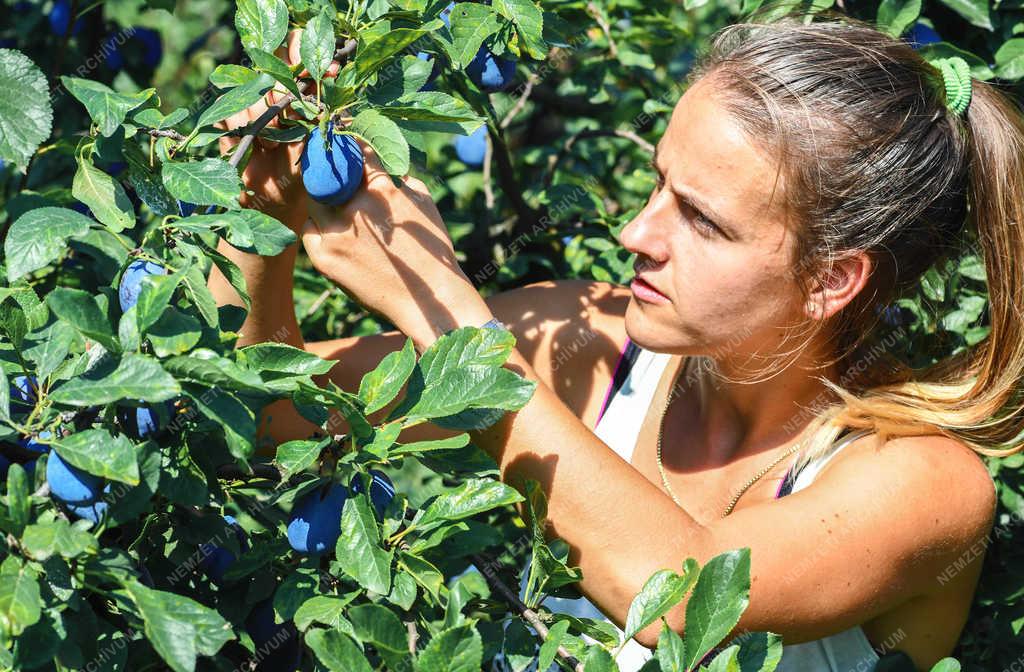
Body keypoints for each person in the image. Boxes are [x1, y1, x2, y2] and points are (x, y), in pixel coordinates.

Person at [209, 14, 1024, 671]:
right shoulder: (592, 345)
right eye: (660, 182)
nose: (637, 232)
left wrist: (440, 306)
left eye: (701, 220)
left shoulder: (925, 480)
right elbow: (265, 415)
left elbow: (679, 597)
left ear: (829, 280)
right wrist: (256, 218)